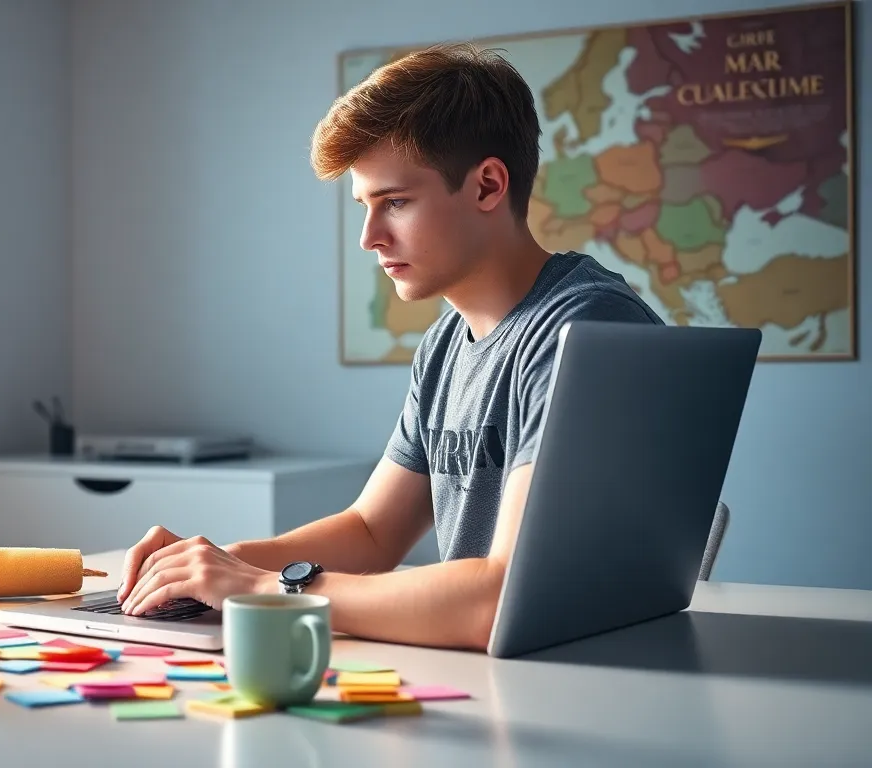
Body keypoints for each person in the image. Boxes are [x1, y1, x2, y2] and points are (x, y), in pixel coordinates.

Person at [115, 42, 664, 651]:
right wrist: (215, 565)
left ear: (487, 186)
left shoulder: (589, 329)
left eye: (395, 202)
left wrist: (269, 587)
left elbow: (498, 599)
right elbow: (373, 532)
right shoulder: (448, 342)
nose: (369, 238)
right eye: (364, 206)